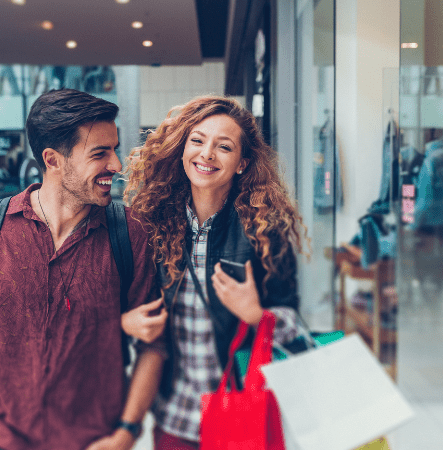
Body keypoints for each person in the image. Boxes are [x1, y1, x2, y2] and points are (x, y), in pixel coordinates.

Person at [0, 89, 166, 450]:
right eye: (100, 153)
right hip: (4, 436)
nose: (116, 165)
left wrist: (125, 433)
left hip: (93, 439)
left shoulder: (130, 233)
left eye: (114, 149)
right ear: (53, 159)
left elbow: (152, 346)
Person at [121, 96, 306, 449]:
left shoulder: (266, 230)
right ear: (181, 149)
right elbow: (124, 302)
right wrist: (126, 321)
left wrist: (257, 315)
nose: (207, 154)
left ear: (241, 163)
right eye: (197, 140)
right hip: (175, 415)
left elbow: (294, 323)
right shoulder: (152, 224)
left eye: (224, 147)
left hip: (240, 408)